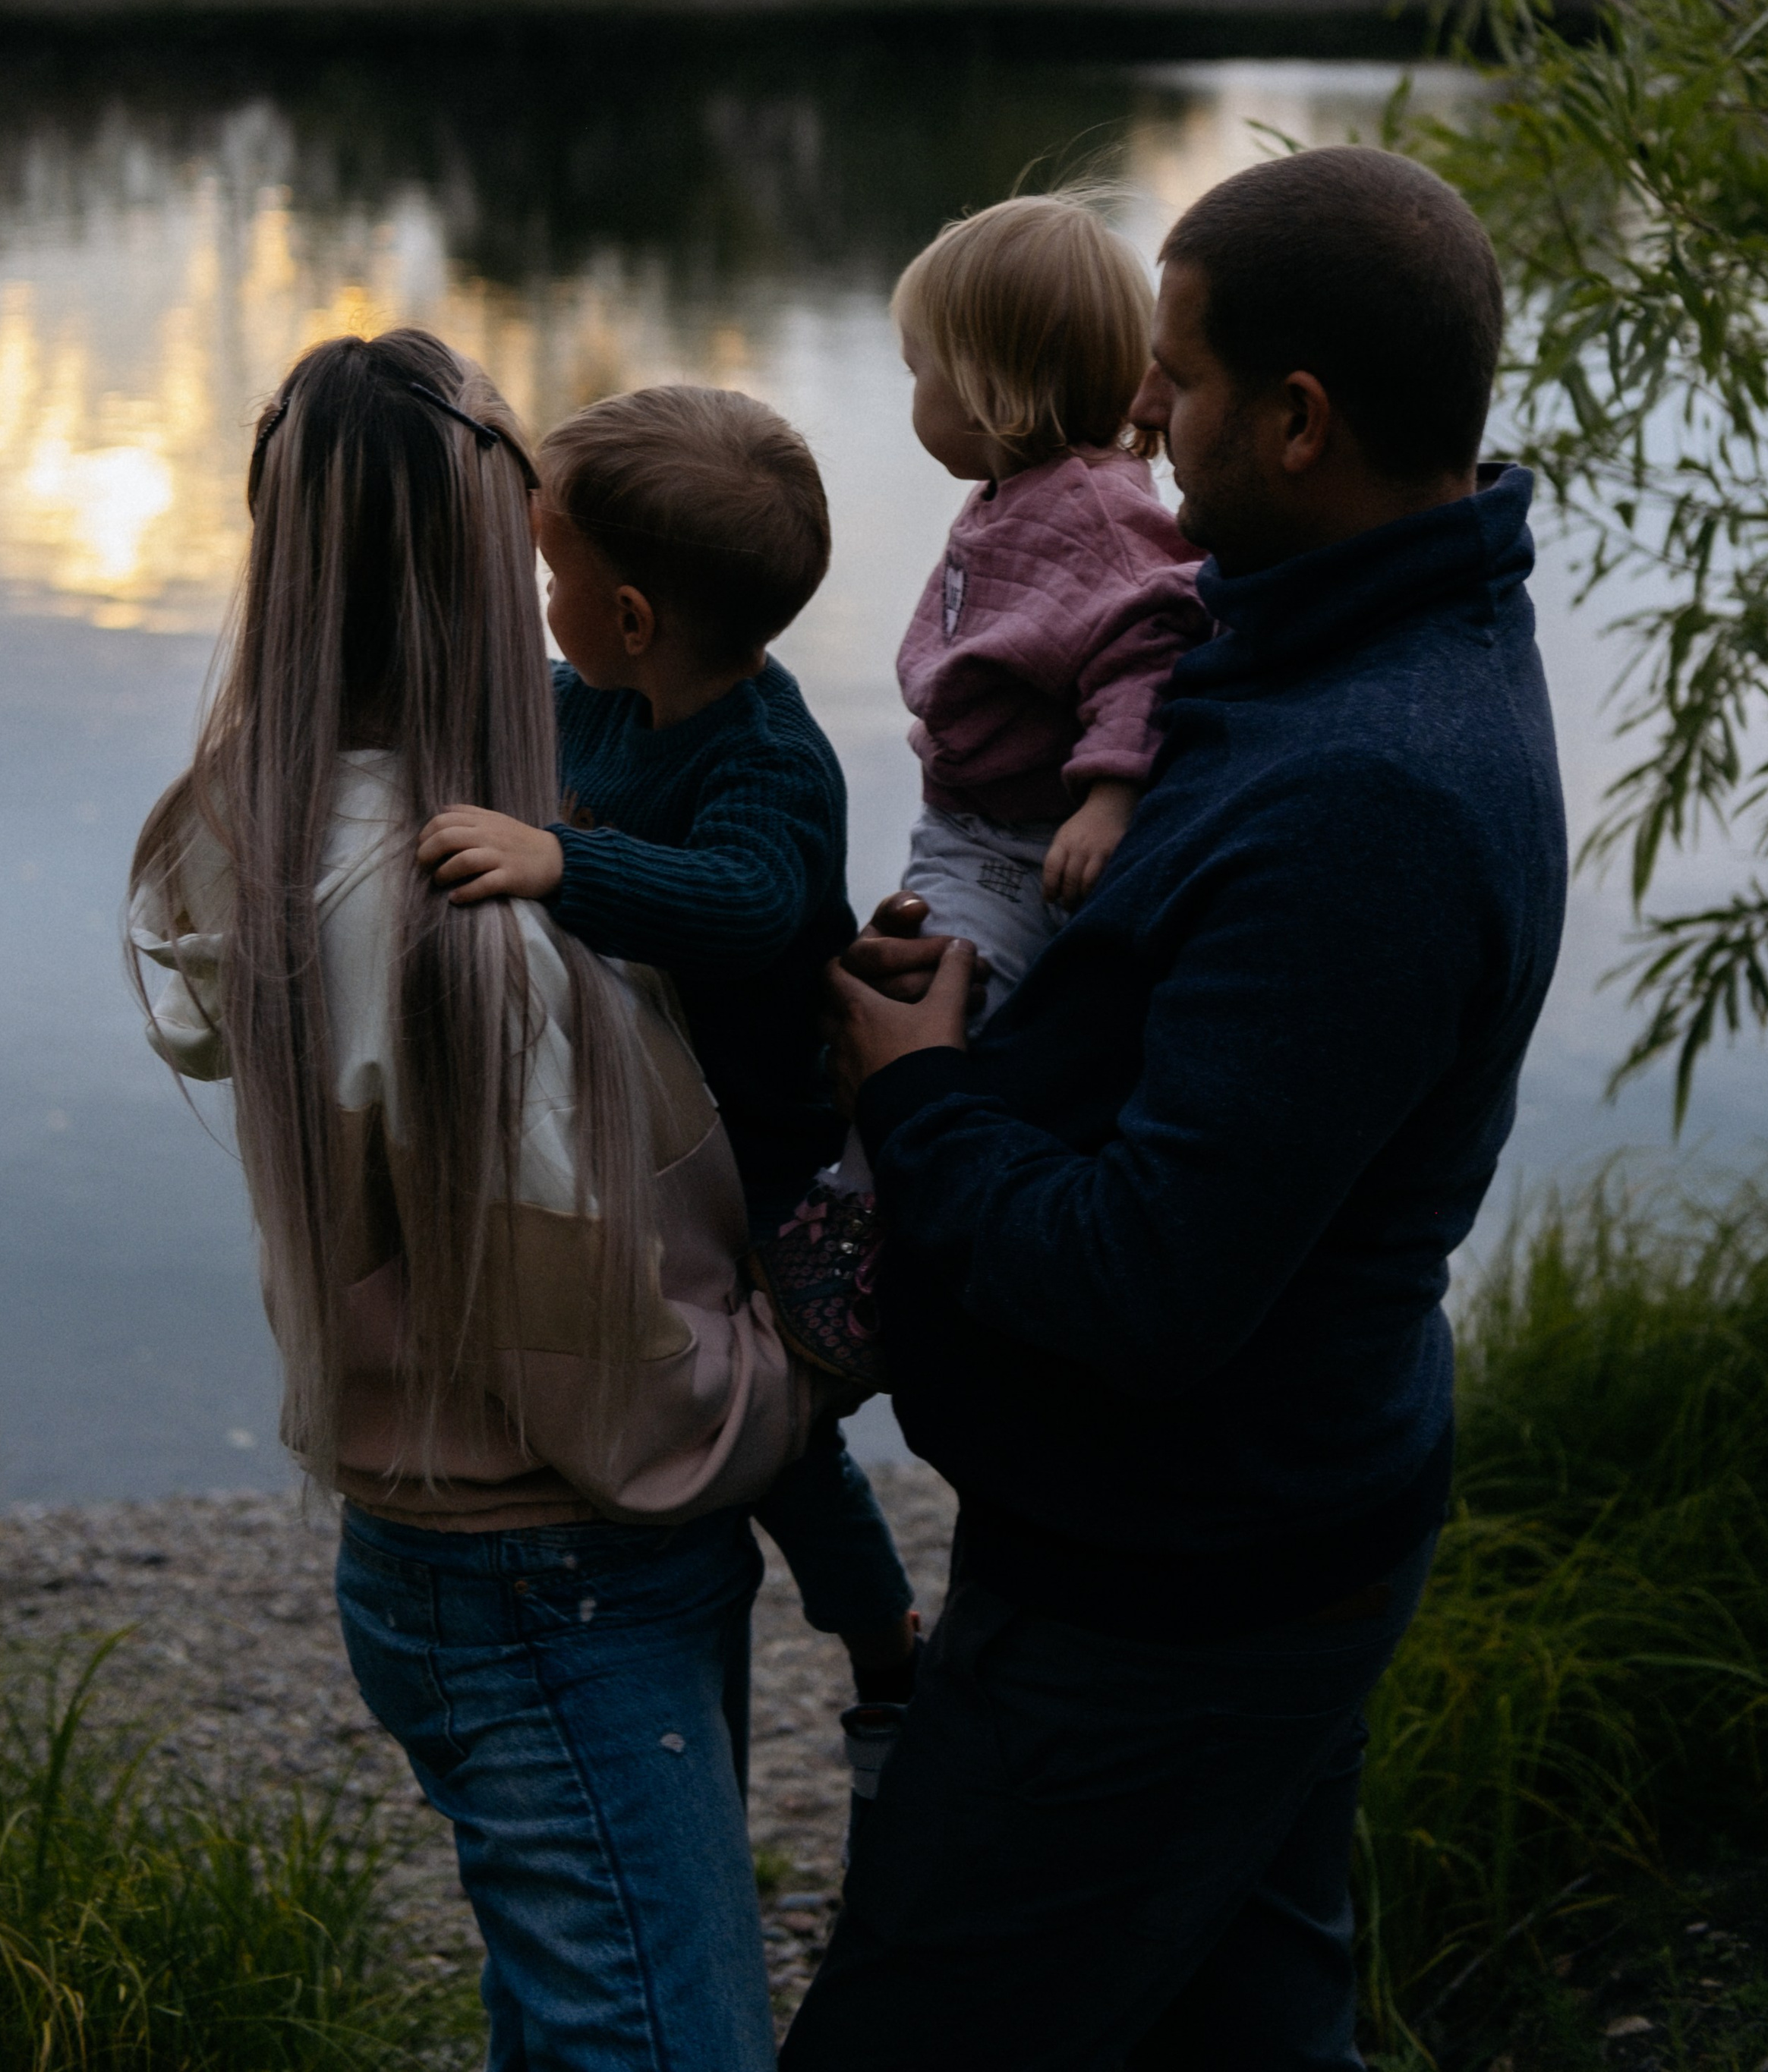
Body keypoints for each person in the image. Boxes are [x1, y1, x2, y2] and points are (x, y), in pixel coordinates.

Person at [782, 146, 1569, 2072]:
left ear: (1297, 421)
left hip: (1174, 1598)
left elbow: (1143, 1277)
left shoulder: (1368, 792)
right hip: (1237, 1528)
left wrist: (928, 1087)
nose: (1132, 410)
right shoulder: (1302, 628)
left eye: (1179, 376)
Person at [128, 331, 808, 2072]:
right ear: (473, 579)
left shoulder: (247, 818)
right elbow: (613, 1366)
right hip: (555, 1566)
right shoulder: (458, 910)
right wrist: (807, 1346)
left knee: (572, 2013)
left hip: (424, 1534)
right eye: (522, 547)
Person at [414, 383, 918, 1705]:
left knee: (786, 1453)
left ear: (630, 617)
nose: (539, 604)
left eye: (548, 576)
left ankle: (884, 1643)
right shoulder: (600, 695)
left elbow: (747, 903)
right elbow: (509, 695)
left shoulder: (769, 762)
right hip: (644, 1124)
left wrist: (560, 858)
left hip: (757, 1154)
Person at [891, 193, 1211, 1020]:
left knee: (943, 1015)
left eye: (915, 367)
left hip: (1029, 849)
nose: (912, 389)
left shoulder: (1095, 516)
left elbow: (1156, 643)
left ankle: (896, 1140)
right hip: (972, 827)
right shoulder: (1020, 489)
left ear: (981, 388)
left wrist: (1113, 796)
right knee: (896, 985)